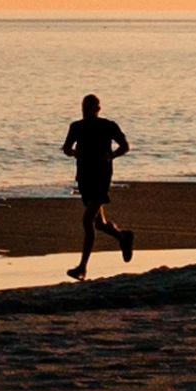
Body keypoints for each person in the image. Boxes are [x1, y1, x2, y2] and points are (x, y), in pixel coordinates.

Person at [63, 93, 134, 279]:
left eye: (89, 107)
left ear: (97, 109)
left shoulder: (107, 126)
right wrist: (73, 152)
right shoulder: (76, 127)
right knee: (99, 223)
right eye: (84, 107)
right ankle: (123, 237)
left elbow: (125, 146)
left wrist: (112, 156)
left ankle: (82, 267)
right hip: (84, 177)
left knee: (87, 221)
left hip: (102, 176)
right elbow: (66, 148)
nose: (85, 110)